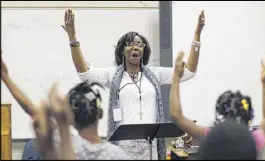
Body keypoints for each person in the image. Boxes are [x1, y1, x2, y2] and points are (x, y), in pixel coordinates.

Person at [61, 9, 206, 160]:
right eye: (130, 44)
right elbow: (85, 73)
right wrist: (72, 38)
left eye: (140, 44)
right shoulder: (112, 75)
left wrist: (197, 34)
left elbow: (189, 71)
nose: (136, 47)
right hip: (123, 149)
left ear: (144, 51)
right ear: (122, 50)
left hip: (151, 147)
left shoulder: (154, 74)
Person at [1, 50, 130, 160]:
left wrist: (5, 76)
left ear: (70, 118)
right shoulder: (118, 155)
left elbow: (33, 111)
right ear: (99, 113)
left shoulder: (63, 144)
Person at [169, 51, 265, 157]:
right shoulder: (253, 140)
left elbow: (177, 115)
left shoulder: (212, 136)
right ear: (248, 117)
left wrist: (176, 79)